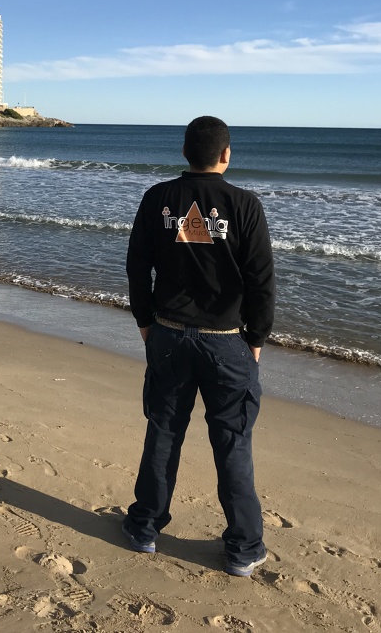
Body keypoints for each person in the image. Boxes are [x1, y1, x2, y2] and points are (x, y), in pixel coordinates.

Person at [123, 115, 275, 577]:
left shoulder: (158, 198)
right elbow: (262, 283)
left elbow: (136, 267)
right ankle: (243, 548)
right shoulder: (244, 204)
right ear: (226, 155)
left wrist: (146, 322)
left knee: (164, 432)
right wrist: (257, 339)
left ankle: (145, 527)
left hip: (168, 335)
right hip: (226, 343)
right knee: (232, 443)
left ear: (185, 152)